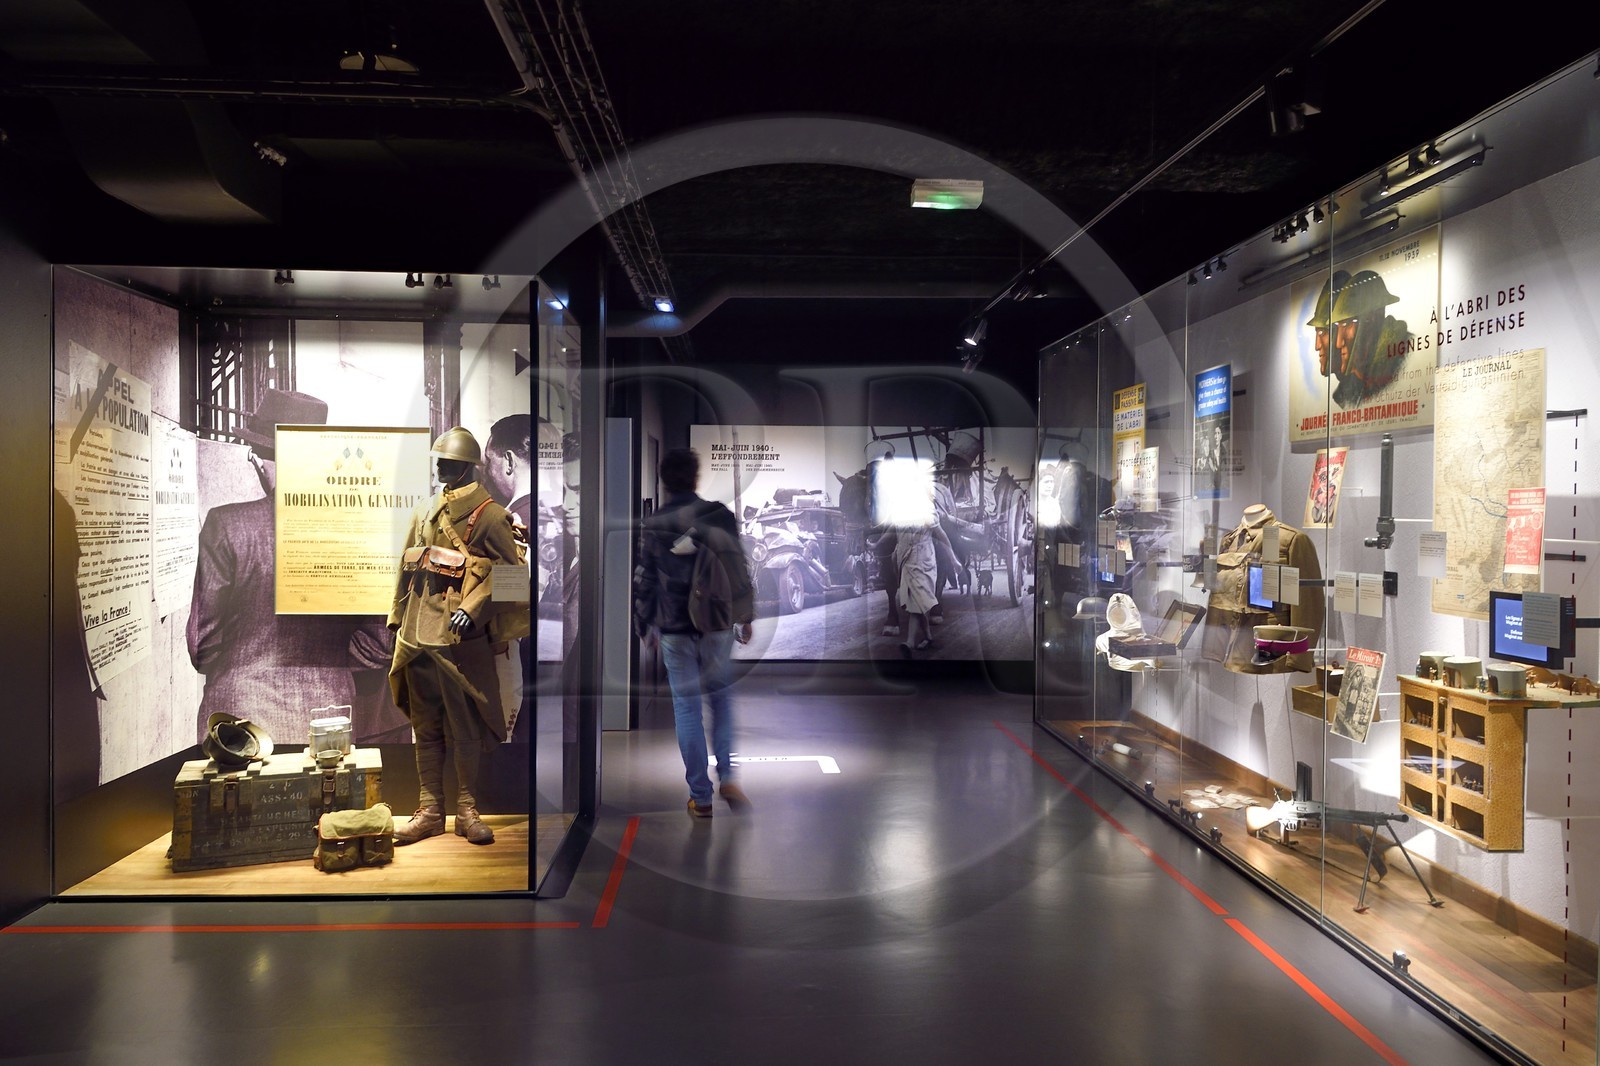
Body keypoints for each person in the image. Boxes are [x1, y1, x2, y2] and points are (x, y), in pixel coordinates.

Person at [187, 389, 395, 747]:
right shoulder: (356, 530)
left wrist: (244, 655)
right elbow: (379, 647)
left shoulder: (226, 525)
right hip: (329, 723)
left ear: (262, 459)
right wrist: (322, 656)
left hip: (239, 726)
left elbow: (203, 647)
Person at [388, 427, 523, 846]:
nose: (440, 467)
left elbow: (515, 577)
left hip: (459, 640)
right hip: (417, 636)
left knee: (465, 725)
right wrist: (396, 616)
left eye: (446, 461)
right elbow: (407, 565)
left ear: (466, 466)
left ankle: (466, 809)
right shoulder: (425, 510)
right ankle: (430, 810)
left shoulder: (491, 515)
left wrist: (473, 606)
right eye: (438, 461)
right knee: (425, 725)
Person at [633, 447, 754, 818]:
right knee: (720, 699)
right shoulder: (720, 515)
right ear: (696, 477)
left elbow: (645, 579)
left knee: (686, 710)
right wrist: (745, 615)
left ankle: (700, 796)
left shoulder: (654, 523)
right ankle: (729, 775)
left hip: (674, 629)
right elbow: (737, 568)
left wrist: (645, 624)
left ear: (664, 480)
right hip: (716, 624)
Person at [481, 414, 533, 741]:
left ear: (510, 462)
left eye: (489, 462)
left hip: (512, 655)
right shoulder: (555, 513)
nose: (486, 472)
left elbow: (504, 602)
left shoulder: (512, 522)